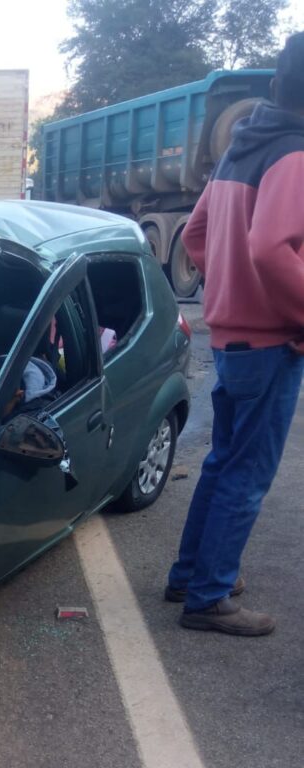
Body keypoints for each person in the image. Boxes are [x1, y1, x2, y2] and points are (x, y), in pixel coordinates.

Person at [165, 32, 304, 636]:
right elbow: (274, 248)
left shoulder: (242, 147)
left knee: (224, 463)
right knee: (246, 475)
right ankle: (208, 597)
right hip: (271, 341)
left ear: (275, 87)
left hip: (229, 338)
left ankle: (190, 576)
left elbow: (196, 235)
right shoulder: (295, 152)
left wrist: (232, 291)